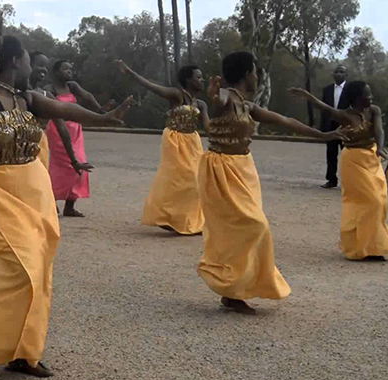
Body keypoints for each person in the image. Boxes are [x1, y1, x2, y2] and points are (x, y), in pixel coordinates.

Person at [0, 12, 131, 378]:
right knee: (20, 267)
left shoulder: (29, 99)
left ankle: (24, 351)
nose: (33, 68)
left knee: (38, 268)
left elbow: (66, 109)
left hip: (33, 192)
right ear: (16, 61)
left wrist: (106, 117)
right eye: (26, 61)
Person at [198, 51, 344, 315]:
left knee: (241, 230)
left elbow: (285, 121)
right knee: (254, 225)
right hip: (220, 169)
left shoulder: (248, 105)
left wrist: (323, 134)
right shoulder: (226, 98)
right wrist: (212, 95)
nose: (256, 76)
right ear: (246, 74)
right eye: (254, 71)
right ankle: (229, 285)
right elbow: (217, 101)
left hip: (243, 168)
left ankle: (233, 292)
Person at [290, 84, 388, 260]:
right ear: (355, 98)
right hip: (352, 161)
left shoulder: (374, 110)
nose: (370, 98)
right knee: (367, 201)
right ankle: (358, 247)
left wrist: (380, 147)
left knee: (381, 201)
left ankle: (375, 247)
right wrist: (308, 96)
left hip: (371, 158)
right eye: (366, 95)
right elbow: (324, 107)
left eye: (370, 94)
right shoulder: (344, 115)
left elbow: (379, 129)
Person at [115, 60, 209, 234]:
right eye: (199, 77)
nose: (202, 80)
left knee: (197, 179)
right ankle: (166, 216)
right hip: (175, 139)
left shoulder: (201, 104)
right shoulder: (176, 95)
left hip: (193, 142)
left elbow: (209, 128)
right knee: (179, 178)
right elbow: (151, 86)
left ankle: (186, 220)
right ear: (188, 80)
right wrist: (129, 72)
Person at [45, 60, 104, 217]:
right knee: (62, 166)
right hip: (58, 130)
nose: (69, 72)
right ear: (56, 72)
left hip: (75, 130)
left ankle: (69, 206)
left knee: (80, 164)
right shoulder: (49, 90)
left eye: (70, 69)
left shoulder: (72, 86)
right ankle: (50, 201)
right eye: (65, 69)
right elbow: (54, 114)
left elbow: (87, 95)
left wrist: (100, 110)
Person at [321, 65, 349, 188]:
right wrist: (323, 127)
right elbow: (323, 108)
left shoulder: (350, 89)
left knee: (347, 154)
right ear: (333, 74)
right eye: (336, 72)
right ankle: (331, 179)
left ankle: (348, 180)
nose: (338, 74)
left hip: (345, 126)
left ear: (346, 75)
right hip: (331, 125)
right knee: (331, 154)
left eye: (341, 72)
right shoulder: (327, 89)